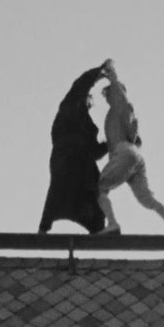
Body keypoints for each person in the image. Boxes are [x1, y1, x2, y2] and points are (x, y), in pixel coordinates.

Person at [96, 60, 164, 235]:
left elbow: (117, 89)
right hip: (135, 156)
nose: (107, 98)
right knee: (147, 200)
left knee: (99, 189)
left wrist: (110, 72)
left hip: (123, 153)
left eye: (108, 94)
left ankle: (112, 223)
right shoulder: (126, 114)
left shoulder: (120, 105)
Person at [38, 61, 111, 233]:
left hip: (83, 162)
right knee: (59, 189)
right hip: (67, 157)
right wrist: (97, 73)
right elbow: (80, 85)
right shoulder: (69, 106)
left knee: (94, 199)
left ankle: (96, 230)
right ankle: (43, 228)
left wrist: (114, 142)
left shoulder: (87, 125)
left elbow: (94, 151)